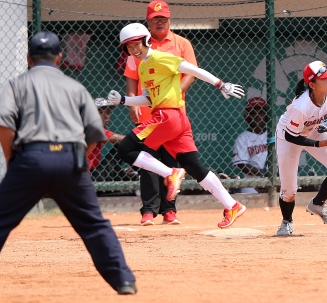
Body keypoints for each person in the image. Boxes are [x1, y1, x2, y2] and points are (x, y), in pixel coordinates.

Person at [0, 31, 137, 298]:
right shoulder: (75, 87)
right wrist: (79, 159)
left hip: (30, 159)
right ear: (59, 58)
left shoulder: (16, 84)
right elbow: (95, 131)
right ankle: (123, 281)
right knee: (93, 224)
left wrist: (13, 162)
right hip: (70, 159)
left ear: (29, 59)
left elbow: (4, 127)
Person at [108, 23, 246, 228]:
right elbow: (148, 100)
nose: (134, 50)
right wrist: (123, 100)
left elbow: (192, 69)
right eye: (129, 48)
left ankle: (170, 173)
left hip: (167, 116)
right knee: (192, 165)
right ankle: (232, 204)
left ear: (146, 40)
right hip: (176, 119)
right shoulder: (143, 67)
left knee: (126, 148)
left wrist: (220, 84)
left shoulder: (159, 57)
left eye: (136, 44)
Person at [124, 0, 198, 226]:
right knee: (147, 160)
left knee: (171, 159)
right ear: (148, 21)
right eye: (155, 19)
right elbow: (131, 77)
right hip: (148, 113)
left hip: (174, 113)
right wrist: (132, 104)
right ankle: (148, 210)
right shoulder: (138, 46)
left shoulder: (182, 43)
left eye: (163, 18)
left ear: (169, 19)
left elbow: (191, 73)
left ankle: (169, 210)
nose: (160, 22)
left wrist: (174, 92)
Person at [275, 61, 327, 236]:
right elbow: (290, 136)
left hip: (315, 131)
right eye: (324, 78)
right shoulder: (301, 106)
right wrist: (318, 144)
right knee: (289, 191)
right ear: (312, 85)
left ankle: (317, 204)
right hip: (289, 137)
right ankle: (287, 222)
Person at [88, 97, 137, 183]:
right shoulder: (92, 128)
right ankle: (139, 173)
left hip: (95, 172)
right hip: (89, 175)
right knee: (122, 145)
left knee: (118, 171)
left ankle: (135, 176)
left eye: (107, 112)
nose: (106, 116)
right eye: (101, 113)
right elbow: (123, 139)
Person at [232, 97, 268, 193]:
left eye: (261, 112)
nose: (258, 116)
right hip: (251, 185)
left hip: (276, 182)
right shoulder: (243, 138)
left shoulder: (275, 135)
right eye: (253, 113)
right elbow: (242, 165)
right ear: (248, 116)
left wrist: (274, 175)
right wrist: (264, 174)